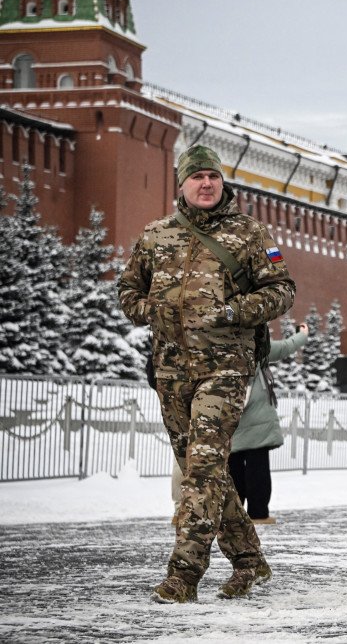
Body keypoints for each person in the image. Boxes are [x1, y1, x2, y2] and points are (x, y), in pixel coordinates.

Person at [119, 145, 296, 603]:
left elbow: (282, 290)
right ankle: (249, 562)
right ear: (181, 184)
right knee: (206, 470)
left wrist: (236, 311)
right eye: (196, 177)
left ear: (222, 183)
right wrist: (149, 310)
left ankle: (184, 575)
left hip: (227, 368)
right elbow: (126, 289)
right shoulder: (156, 236)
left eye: (212, 177)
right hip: (172, 371)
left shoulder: (251, 234)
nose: (206, 184)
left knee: (202, 467)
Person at [228, 322, 309, 524]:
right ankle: (258, 513)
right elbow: (286, 347)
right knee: (258, 469)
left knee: (233, 468)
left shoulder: (223, 351)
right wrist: (303, 334)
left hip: (232, 419)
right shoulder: (258, 349)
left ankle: (233, 514)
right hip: (259, 420)